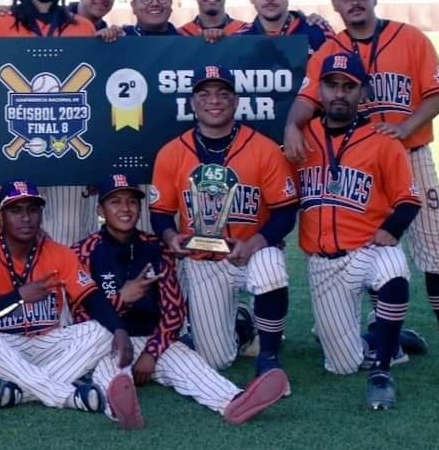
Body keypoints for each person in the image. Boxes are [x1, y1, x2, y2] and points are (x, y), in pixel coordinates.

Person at [284, 0, 439, 382]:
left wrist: (405, 129)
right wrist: (291, 125)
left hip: (409, 153)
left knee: (437, 254)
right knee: (367, 246)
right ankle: (383, 335)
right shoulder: (330, 49)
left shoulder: (409, 37)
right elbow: (306, 99)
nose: (354, 1)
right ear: (335, 3)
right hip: (354, 158)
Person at [77, 174, 289, 428]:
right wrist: (121, 299)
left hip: (154, 339)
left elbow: (174, 310)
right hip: (109, 341)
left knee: (191, 365)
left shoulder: (155, 247)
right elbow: (81, 315)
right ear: (100, 209)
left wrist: (152, 354)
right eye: (115, 202)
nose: (125, 209)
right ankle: (120, 408)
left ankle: (235, 401)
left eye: (132, 202)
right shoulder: (82, 251)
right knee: (109, 375)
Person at [149, 66, 297, 383]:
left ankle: (269, 357)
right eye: (204, 94)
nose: (213, 101)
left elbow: (285, 211)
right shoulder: (171, 152)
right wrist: (171, 235)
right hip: (204, 260)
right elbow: (160, 212)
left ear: (235, 100)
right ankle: (243, 325)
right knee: (216, 359)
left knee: (270, 265)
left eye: (222, 93)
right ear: (192, 102)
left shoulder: (264, 149)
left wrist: (256, 243)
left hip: (251, 251)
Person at [292, 52, 421, 409]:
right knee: (343, 365)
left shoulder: (382, 140)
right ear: (319, 90)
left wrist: (391, 229)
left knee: (393, 266)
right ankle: (384, 336)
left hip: (366, 250)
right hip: (323, 264)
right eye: (332, 84)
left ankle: (382, 368)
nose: (339, 93)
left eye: (349, 86)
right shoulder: (302, 139)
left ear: (362, 93)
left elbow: (408, 199)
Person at [0, 179, 133, 419]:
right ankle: (67, 396)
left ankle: (25, 391)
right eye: (16, 210)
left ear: (41, 214)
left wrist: (120, 330)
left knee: (102, 332)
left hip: (47, 344)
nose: (26, 217)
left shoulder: (58, 253)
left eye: (32, 209)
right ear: (1, 216)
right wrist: (19, 296)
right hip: (1, 353)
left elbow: (91, 297)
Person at [0, 0, 99, 246]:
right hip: (16, 145)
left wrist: (100, 157)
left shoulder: (83, 28)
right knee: (19, 236)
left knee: (70, 236)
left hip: (68, 148)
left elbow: (94, 97)